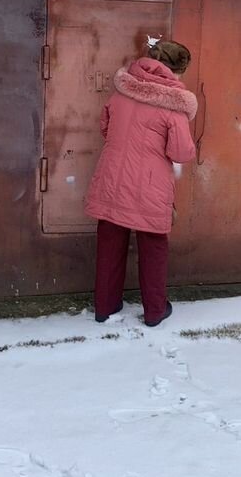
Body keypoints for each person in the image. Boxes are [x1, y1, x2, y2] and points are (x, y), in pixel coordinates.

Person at [84, 40, 198, 327]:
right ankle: (154, 311)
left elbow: (105, 128)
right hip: (150, 186)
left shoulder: (121, 93)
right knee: (153, 247)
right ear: (175, 70)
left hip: (112, 178)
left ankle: (105, 307)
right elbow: (181, 153)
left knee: (110, 241)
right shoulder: (173, 105)